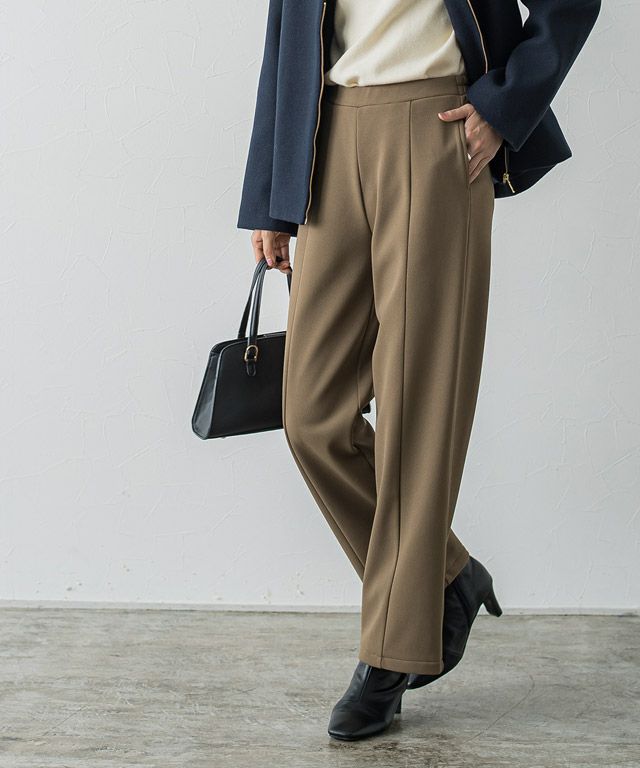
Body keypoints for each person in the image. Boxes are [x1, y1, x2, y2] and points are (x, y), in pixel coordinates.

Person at [237, 0, 601, 742]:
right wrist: (269, 197)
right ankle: (448, 576)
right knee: (311, 417)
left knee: (418, 405)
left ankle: (391, 655)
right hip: (326, 133)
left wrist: (504, 106)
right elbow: (285, 35)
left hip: (439, 126)